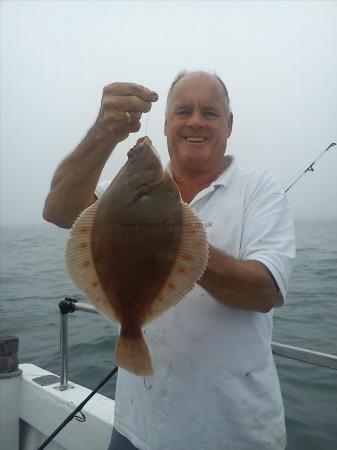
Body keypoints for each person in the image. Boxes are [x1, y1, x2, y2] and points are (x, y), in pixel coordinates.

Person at [43, 71, 296, 450]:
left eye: (210, 112)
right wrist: (104, 133)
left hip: (237, 434)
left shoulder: (259, 189)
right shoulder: (122, 191)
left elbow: (264, 291)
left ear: (228, 124)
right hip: (136, 429)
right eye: (183, 111)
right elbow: (59, 211)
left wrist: (173, 241)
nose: (195, 121)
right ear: (165, 124)